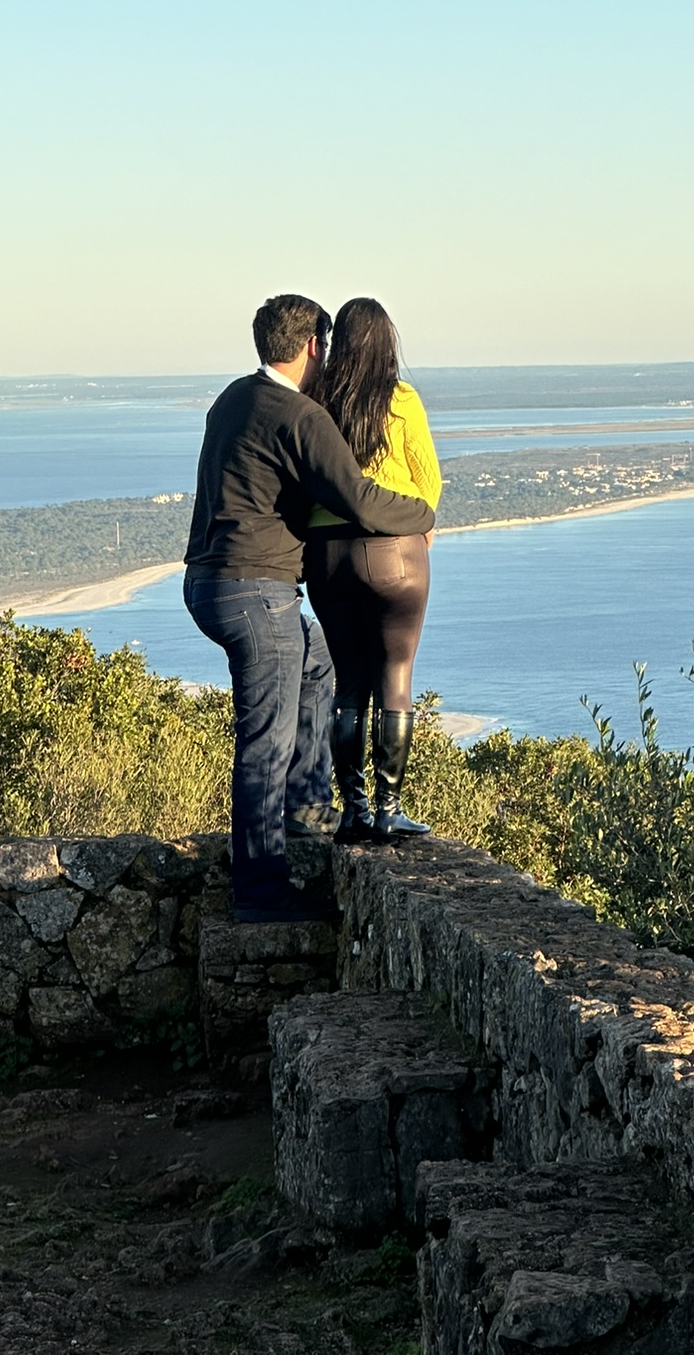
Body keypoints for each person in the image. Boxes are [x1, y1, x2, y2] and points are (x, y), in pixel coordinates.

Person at [183, 294, 437, 921]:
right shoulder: (299, 414)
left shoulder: (233, 398)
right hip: (254, 589)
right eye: (323, 347)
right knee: (264, 741)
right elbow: (358, 499)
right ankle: (262, 893)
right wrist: (422, 515)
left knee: (320, 664)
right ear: (310, 346)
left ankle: (305, 807)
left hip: (208, 581)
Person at [303, 297, 441, 844]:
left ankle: (353, 808)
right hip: (396, 550)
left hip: (327, 554)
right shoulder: (401, 400)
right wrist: (417, 533)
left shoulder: (316, 401)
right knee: (395, 676)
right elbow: (427, 483)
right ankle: (390, 807)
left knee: (348, 681)